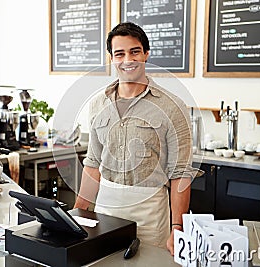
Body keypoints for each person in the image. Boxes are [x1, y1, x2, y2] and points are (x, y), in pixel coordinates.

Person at [74, 22, 202, 255]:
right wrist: (78, 212)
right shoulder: (97, 104)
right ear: (111, 58)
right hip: (105, 208)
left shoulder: (173, 106)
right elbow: (93, 164)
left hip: (150, 212)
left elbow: (181, 173)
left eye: (134, 51)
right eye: (119, 53)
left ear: (146, 54)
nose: (128, 60)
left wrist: (178, 226)